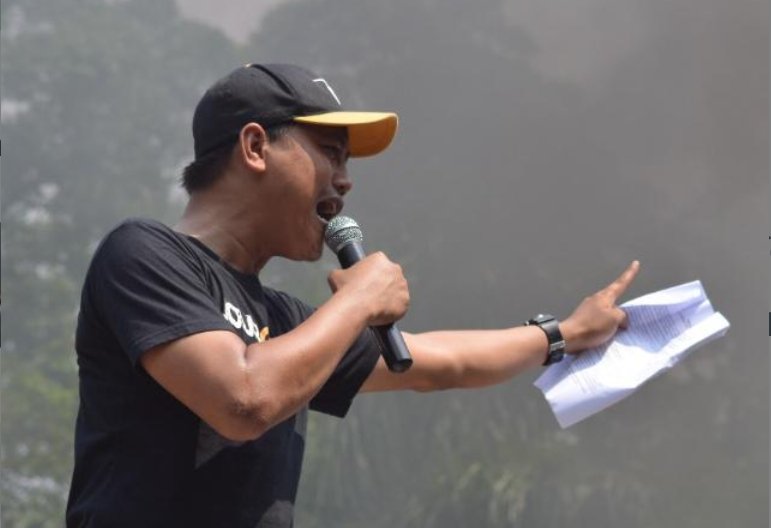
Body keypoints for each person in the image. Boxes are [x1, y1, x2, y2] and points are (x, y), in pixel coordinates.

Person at [65, 63, 639, 527]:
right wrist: (358, 301)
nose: (345, 180)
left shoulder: (282, 321)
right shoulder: (143, 254)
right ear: (256, 146)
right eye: (330, 152)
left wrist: (564, 334)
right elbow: (244, 401)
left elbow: (443, 363)